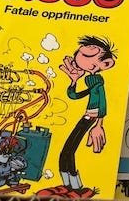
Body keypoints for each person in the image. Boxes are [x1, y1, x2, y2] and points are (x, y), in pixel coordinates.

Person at [37, 34, 117, 198]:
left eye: (88, 56)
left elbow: (102, 103)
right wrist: (73, 81)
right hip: (86, 117)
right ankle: (68, 185)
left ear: (106, 64)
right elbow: (74, 96)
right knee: (65, 152)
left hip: (91, 119)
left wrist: (99, 125)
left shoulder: (98, 83)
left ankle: (77, 187)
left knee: (69, 151)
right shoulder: (91, 82)